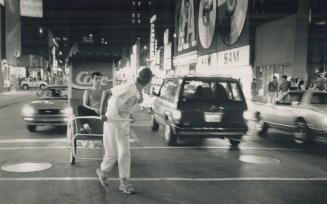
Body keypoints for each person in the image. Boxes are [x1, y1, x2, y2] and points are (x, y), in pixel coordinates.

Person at [97, 67, 153, 194]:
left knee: (124, 153)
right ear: (148, 80)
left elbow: (127, 104)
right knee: (112, 154)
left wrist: (129, 115)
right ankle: (103, 171)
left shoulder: (139, 90)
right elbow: (106, 93)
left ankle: (123, 182)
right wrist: (101, 112)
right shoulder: (129, 86)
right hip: (111, 121)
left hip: (123, 123)